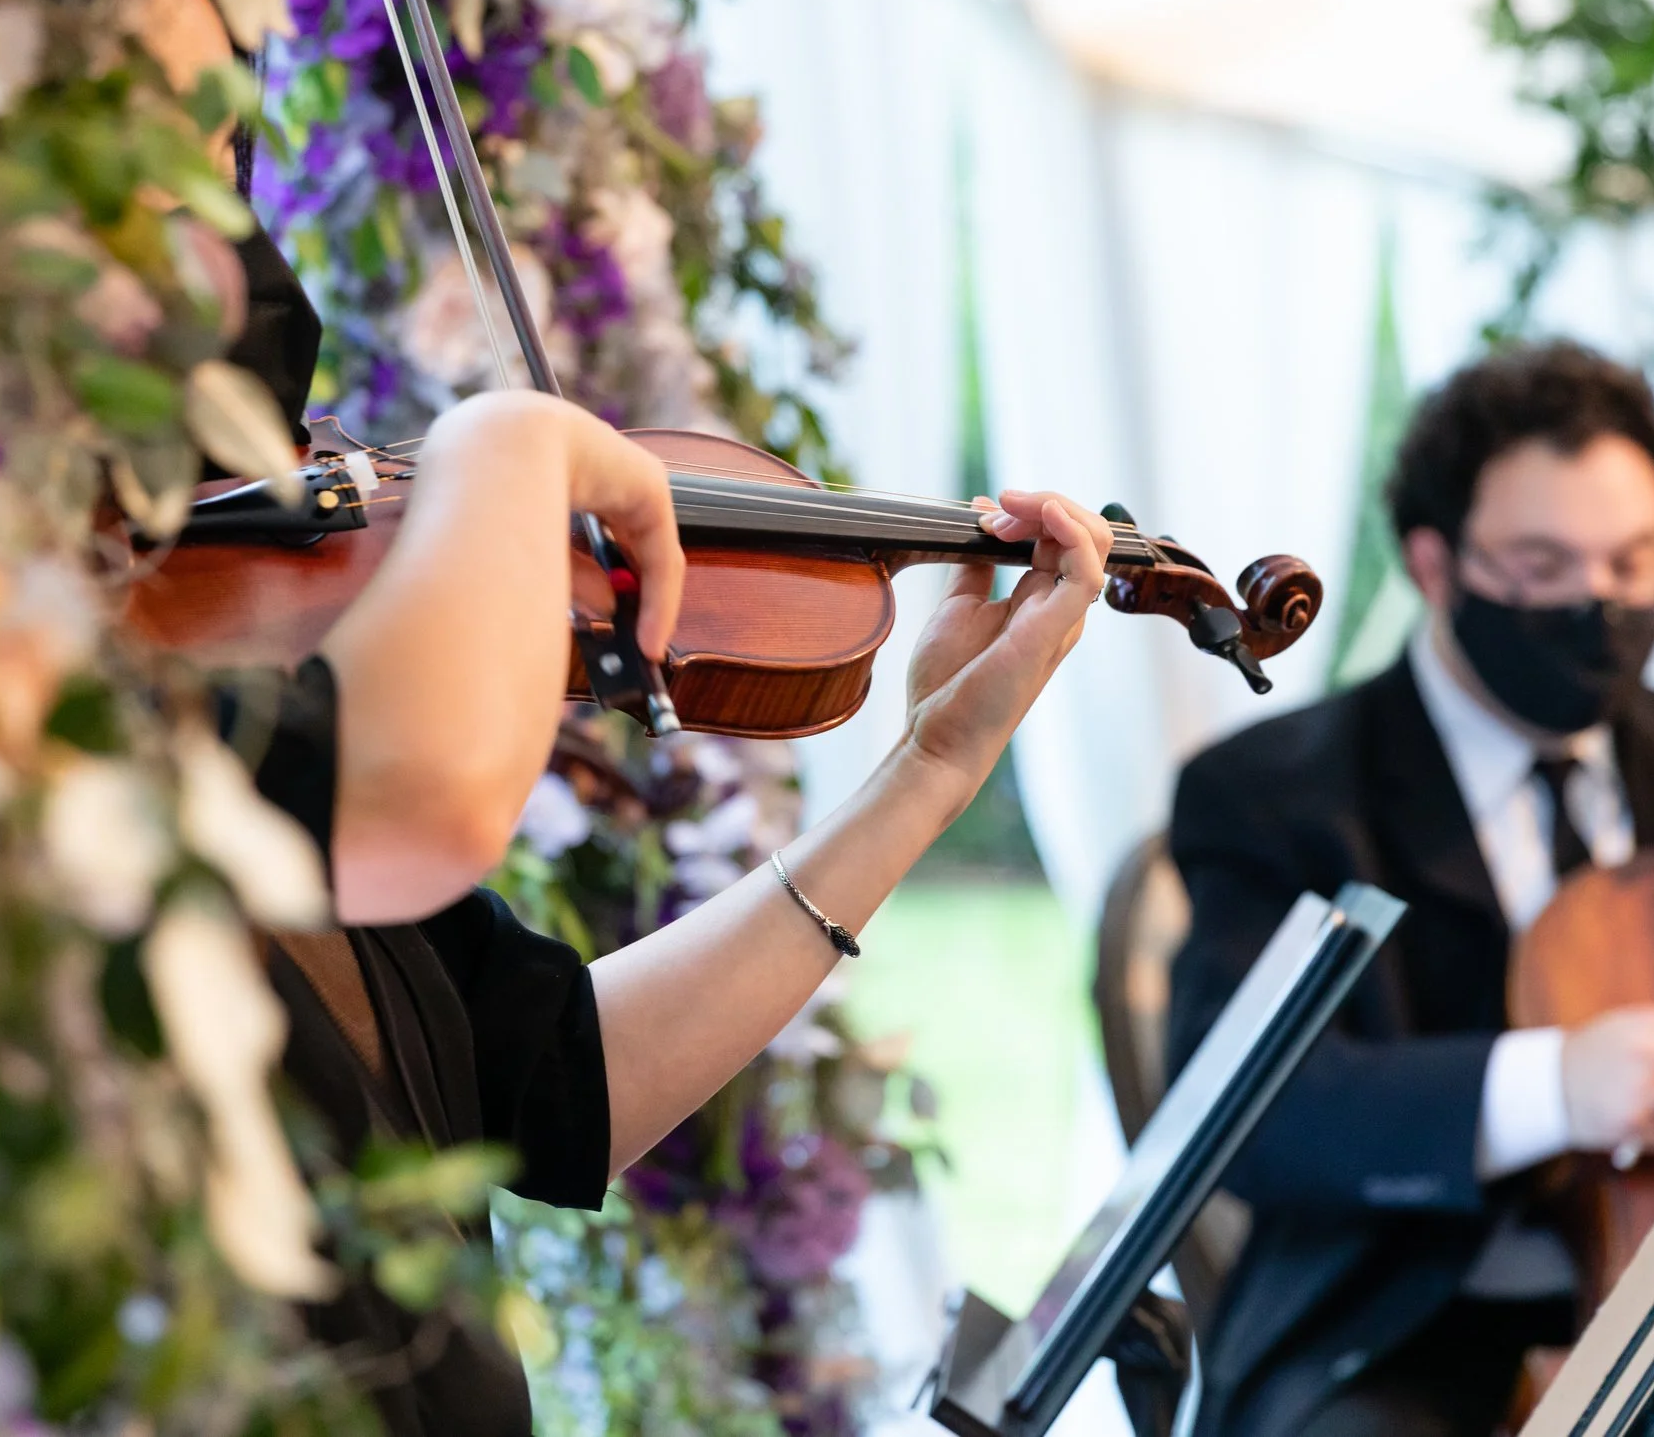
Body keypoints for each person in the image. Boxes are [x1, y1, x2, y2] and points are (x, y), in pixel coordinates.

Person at [212, 230, 1116, 1434]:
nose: (313, 493)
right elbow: (414, 799)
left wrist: (930, 771)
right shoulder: (115, 756)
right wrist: (506, 450)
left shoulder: (269, 771)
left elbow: (561, 1081)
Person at [1164, 341, 1654, 1437]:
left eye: (1633, 562)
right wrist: (1554, 1084)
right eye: (1542, 565)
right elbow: (1244, 1110)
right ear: (1434, 563)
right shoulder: (1279, 790)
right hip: (1406, 1325)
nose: (1596, 600)